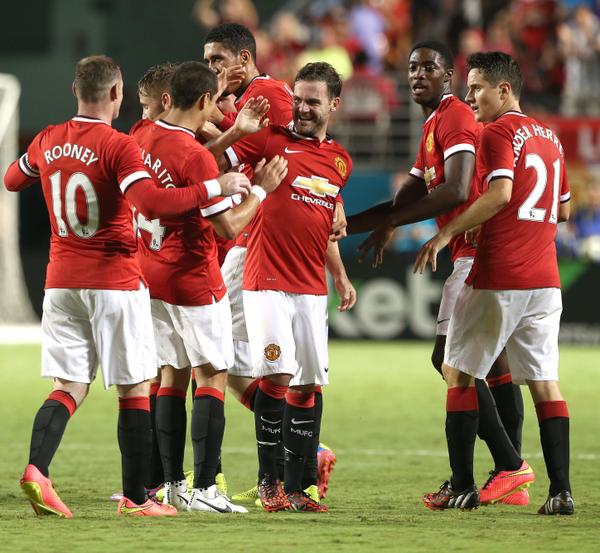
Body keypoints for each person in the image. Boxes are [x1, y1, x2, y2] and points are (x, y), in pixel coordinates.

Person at [4, 55, 250, 518]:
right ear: (115, 95)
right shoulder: (118, 145)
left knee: (68, 385)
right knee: (135, 387)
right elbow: (151, 203)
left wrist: (46, 161)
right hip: (114, 281)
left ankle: (37, 470)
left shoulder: (47, 139)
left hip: (59, 284)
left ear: (74, 90)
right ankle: (138, 499)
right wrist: (213, 187)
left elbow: (12, 179)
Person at [347, 41, 531, 505]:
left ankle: (507, 467)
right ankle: (507, 480)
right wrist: (349, 225)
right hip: (478, 253)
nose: (417, 75)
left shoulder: (453, 116)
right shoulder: (433, 125)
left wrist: (396, 223)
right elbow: (404, 200)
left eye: (428, 67)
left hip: (473, 250)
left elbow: (453, 190)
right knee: (494, 365)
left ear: (449, 75)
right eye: (411, 68)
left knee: (449, 362)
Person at [414, 51, 574, 515]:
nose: (469, 96)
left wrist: (446, 232)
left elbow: (500, 192)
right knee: (545, 383)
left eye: (477, 87)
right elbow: (562, 210)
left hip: (499, 273)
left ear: (505, 90)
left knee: (457, 372)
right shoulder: (551, 138)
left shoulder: (499, 132)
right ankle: (560, 491)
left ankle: (478, 477)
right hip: (546, 279)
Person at [131, 60, 287, 513]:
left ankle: (173, 484)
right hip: (193, 278)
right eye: (214, 101)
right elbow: (226, 226)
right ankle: (205, 488)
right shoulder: (196, 157)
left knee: (171, 376)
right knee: (212, 375)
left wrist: (234, 132)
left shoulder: (142, 136)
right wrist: (261, 189)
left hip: (151, 273)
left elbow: (186, 164)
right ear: (202, 100)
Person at [203, 22, 339, 503]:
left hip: (253, 248)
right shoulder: (244, 102)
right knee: (232, 365)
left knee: (211, 360)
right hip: (249, 243)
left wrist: (196, 121)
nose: (213, 69)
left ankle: (206, 479)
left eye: (218, 60)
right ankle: (293, 460)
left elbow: (292, 155)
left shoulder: (269, 97)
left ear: (243, 58)